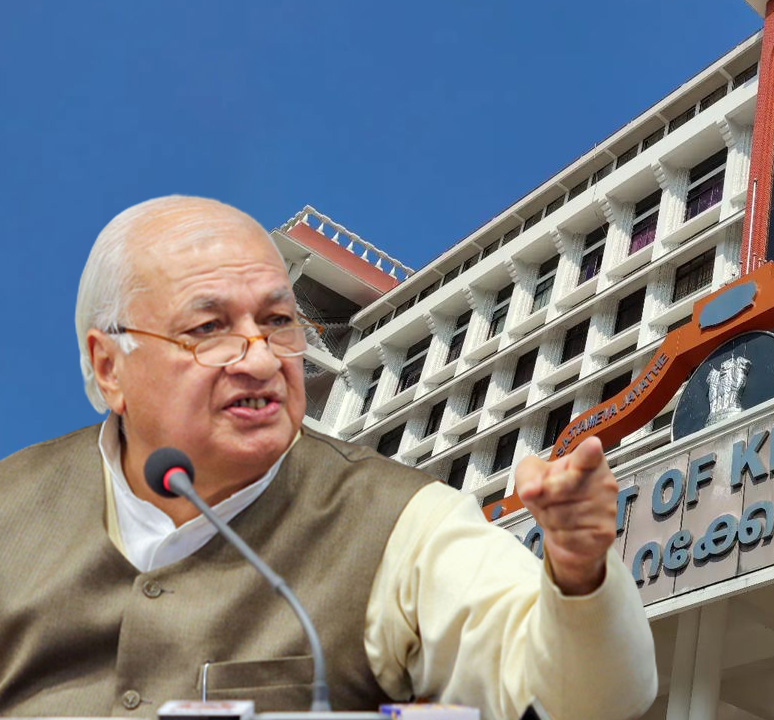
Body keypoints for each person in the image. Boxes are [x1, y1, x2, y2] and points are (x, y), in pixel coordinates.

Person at [0, 196, 658, 719]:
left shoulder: (402, 520)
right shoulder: (13, 503)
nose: (261, 360)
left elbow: (586, 701)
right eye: (208, 329)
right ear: (109, 366)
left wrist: (580, 576)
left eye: (278, 323)